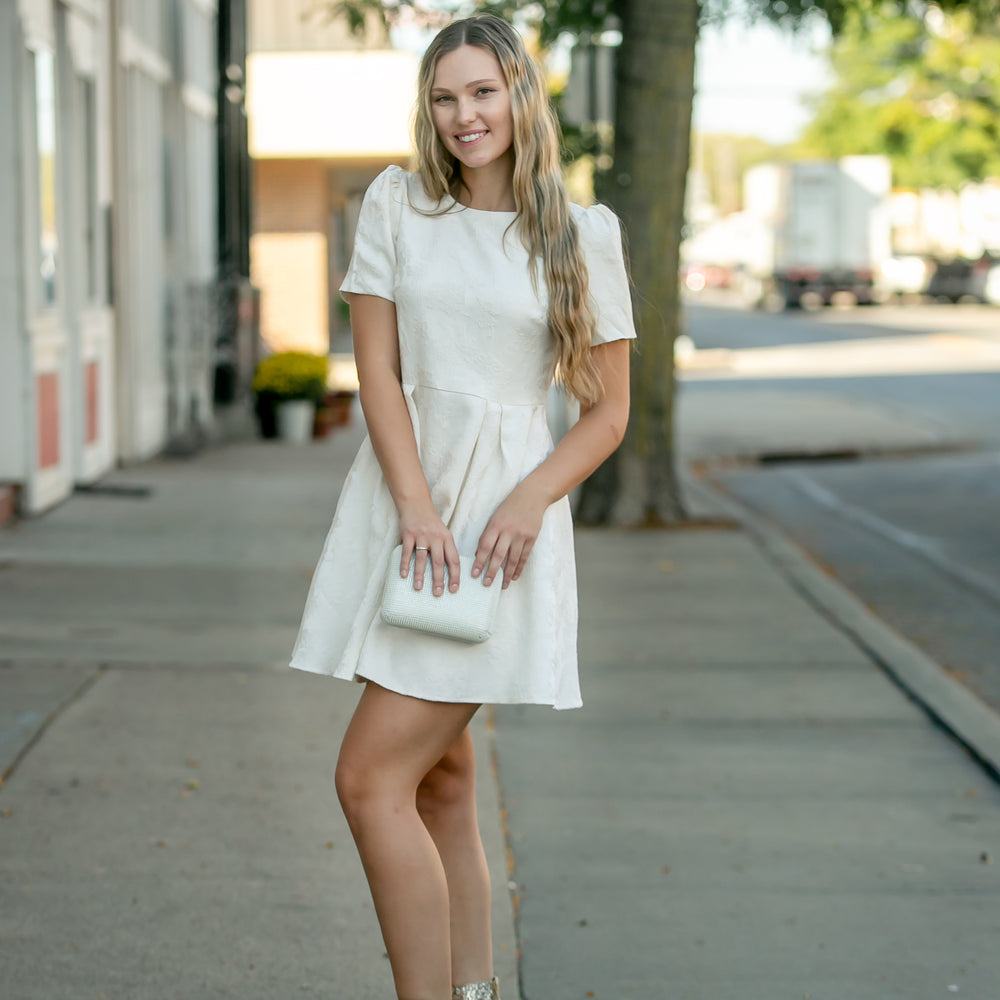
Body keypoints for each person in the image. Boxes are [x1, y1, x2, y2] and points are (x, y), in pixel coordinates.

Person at [289, 13, 636, 1000]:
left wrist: (528, 499)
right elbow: (377, 371)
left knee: (368, 779)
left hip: (492, 539)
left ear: (521, 94)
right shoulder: (397, 206)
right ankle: (472, 991)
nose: (462, 115)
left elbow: (607, 415)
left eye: (481, 92)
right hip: (407, 514)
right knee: (437, 779)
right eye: (444, 97)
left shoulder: (583, 235)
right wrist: (413, 505)